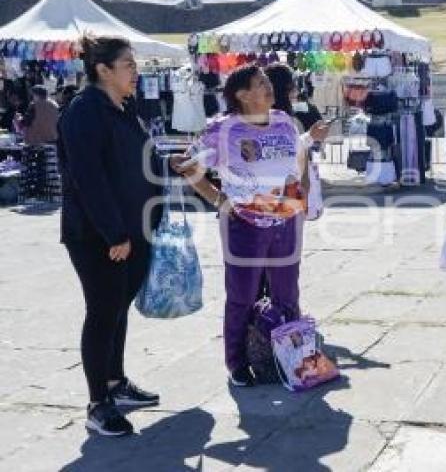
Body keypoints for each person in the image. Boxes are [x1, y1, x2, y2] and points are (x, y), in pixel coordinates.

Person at [172, 64, 329, 388]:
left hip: (286, 222)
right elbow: (189, 168)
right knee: (242, 296)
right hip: (244, 225)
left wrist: (302, 191)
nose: (268, 87)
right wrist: (219, 199)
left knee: (288, 295)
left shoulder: (285, 122)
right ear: (242, 95)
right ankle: (237, 362)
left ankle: (296, 358)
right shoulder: (223, 129)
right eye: (260, 84)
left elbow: (299, 158)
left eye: (267, 82)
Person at [58, 34, 162, 437]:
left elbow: (137, 162)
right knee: (102, 313)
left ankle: (117, 384)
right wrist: (114, 232)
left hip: (134, 229)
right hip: (98, 235)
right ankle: (98, 402)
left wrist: (171, 164)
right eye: (129, 65)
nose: (136, 72)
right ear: (103, 70)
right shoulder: (84, 111)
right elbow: (88, 178)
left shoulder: (123, 108)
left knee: (119, 309)